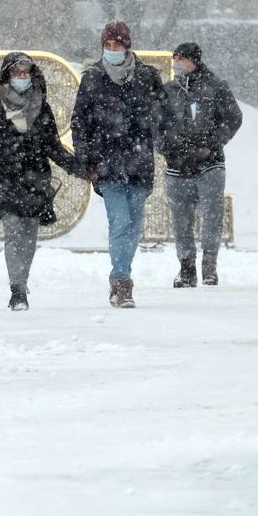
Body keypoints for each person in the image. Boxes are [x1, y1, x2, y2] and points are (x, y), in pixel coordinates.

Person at [0, 51, 84, 311]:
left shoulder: (42, 106)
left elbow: (53, 146)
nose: (22, 77)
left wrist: (79, 168)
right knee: (13, 231)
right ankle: (17, 289)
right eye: (17, 72)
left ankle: (23, 280)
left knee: (29, 235)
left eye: (26, 72)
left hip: (35, 178)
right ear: (7, 75)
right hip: (4, 178)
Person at [70, 22, 171, 308]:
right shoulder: (93, 79)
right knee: (120, 220)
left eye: (117, 45)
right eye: (108, 46)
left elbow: (163, 116)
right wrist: (85, 156)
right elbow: (80, 121)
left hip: (139, 161)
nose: (112, 50)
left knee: (135, 222)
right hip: (106, 162)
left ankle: (118, 274)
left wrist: (160, 138)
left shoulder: (147, 77)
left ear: (127, 46)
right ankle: (124, 281)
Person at [160, 42, 242, 287]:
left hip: (210, 163)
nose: (177, 64)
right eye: (175, 59)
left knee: (212, 215)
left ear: (194, 61)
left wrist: (213, 142)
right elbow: (155, 124)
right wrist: (166, 147)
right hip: (177, 165)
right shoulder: (167, 91)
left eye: (182, 59)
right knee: (181, 218)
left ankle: (209, 266)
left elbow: (234, 117)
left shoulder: (215, 87)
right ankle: (186, 268)